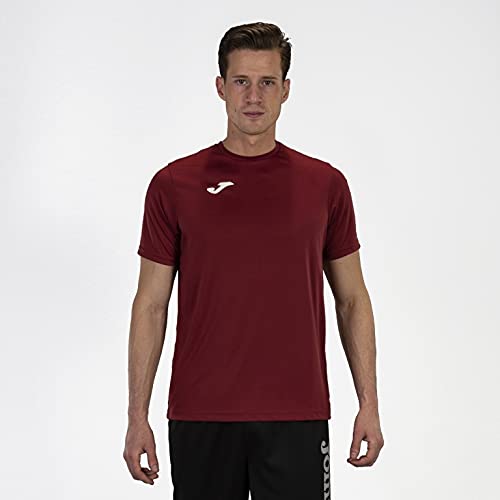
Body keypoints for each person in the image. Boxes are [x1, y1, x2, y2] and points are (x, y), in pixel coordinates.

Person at [123, 21, 384, 499]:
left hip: (297, 415)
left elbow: (352, 299)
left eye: (267, 82)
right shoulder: (173, 184)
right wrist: (136, 415)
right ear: (220, 87)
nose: (254, 96)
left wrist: (369, 404)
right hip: (201, 414)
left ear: (286, 90)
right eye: (241, 81)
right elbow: (151, 305)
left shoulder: (325, 185)